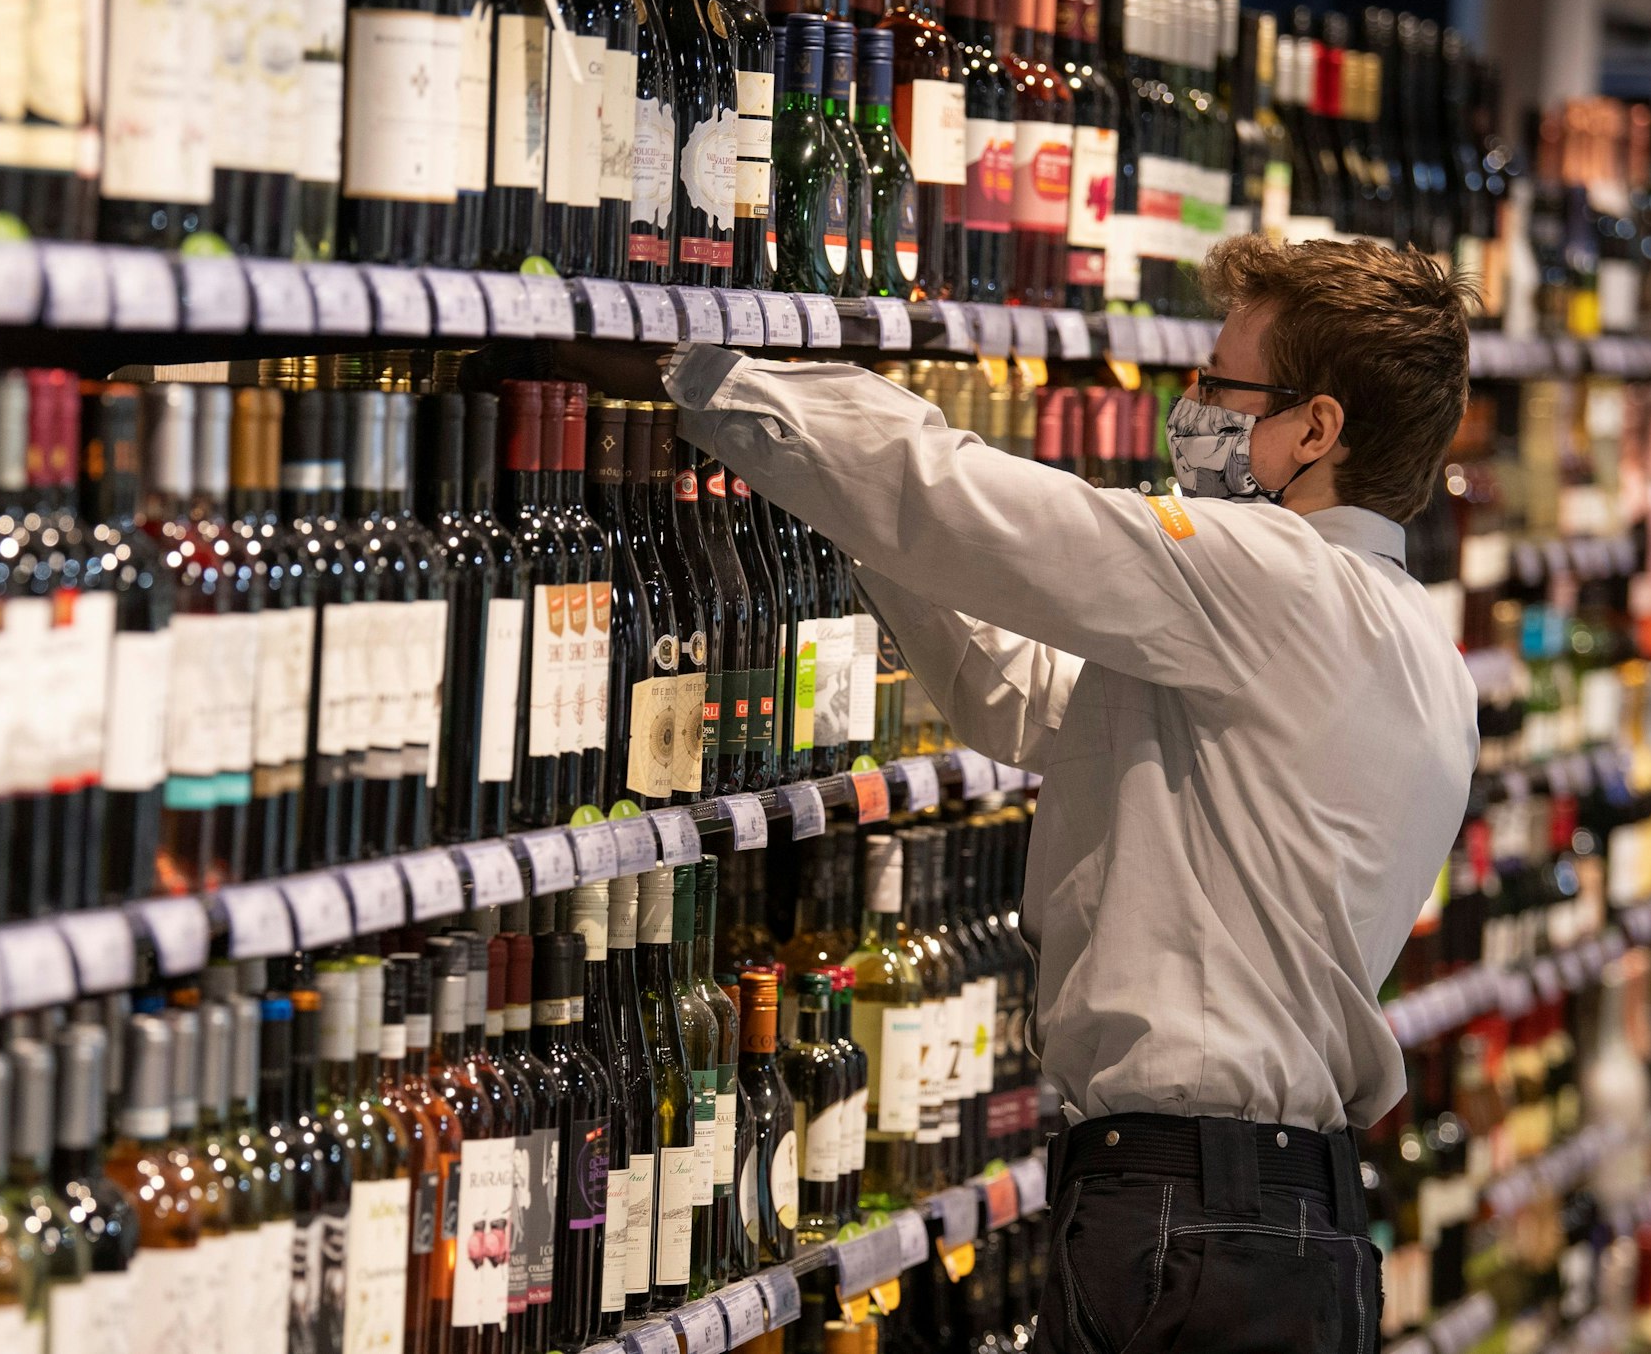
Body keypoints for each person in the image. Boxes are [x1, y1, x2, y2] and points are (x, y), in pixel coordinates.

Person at [603, 235, 1477, 1351]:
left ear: (1315, 429)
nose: (1192, 407)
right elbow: (1023, 700)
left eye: (1220, 386)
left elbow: (966, 499)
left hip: (1188, 1223)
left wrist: (700, 374)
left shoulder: (1278, 579)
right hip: (1283, 1221)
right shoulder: (1412, 644)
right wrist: (855, 518)